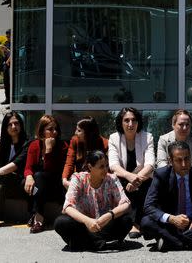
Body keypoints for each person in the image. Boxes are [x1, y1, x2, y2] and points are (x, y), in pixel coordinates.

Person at [142, 140, 192, 252]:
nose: (184, 164)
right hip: (171, 222)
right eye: (179, 160)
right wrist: (171, 218)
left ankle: (169, 241)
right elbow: (148, 206)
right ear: (170, 161)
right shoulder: (161, 175)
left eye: (187, 159)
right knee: (146, 222)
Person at [54, 150, 134, 251]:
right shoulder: (78, 178)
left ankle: (87, 243)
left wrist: (109, 215)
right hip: (83, 226)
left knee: (127, 219)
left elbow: (125, 203)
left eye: (106, 166)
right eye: (101, 167)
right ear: (90, 167)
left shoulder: (112, 179)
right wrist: (87, 221)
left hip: (104, 225)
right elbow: (68, 207)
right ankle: (98, 243)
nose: (105, 169)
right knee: (60, 222)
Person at [108, 106, 155, 238]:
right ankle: (132, 224)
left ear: (138, 122)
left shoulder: (147, 137)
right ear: (121, 122)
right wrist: (131, 177)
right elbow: (113, 165)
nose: (130, 124)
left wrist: (137, 179)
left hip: (144, 178)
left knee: (145, 185)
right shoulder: (114, 138)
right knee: (122, 184)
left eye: (134, 120)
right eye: (126, 120)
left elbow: (150, 164)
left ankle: (138, 223)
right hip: (123, 178)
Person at [24, 114, 69, 233]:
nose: (54, 132)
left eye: (56, 129)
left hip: (55, 184)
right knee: (28, 181)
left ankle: (38, 217)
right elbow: (28, 167)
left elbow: (51, 170)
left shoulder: (63, 146)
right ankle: (36, 215)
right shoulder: (34, 145)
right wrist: (29, 176)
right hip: (40, 188)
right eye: (50, 129)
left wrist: (48, 151)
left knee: (39, 176)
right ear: (42, 131)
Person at [63, 117, 109, 189]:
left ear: (88, 133)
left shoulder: (104, 143)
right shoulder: (75, 140)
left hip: (97, 179)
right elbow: (69, 163)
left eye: (79, 131)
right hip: (78, 178)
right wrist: (64, 179)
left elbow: (106, 167)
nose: (75, 133)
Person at [0, 29, 12, 105]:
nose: (7, 37)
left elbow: (13, 52)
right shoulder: (6, 43)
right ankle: (7, 98)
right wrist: (2, 50)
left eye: (9, 36)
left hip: (11, 65)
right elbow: (4, 55)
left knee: (11, 84)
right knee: (6, 83)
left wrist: (7, 50)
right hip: (6, 65)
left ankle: (11, 101)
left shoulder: (15, 42)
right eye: (6, 36)